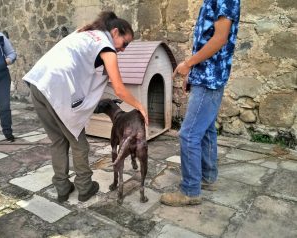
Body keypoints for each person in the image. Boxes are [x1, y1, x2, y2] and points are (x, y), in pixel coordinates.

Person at [23, 11, 148, 203]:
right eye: (125, 43)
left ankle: (62, 189)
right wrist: (140, 106)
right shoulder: (107, 46)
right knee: (79, 143)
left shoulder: (85, 33)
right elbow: (120, 90)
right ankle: (84, 187)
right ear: (115, 32)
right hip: (56, 89)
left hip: (37, 84)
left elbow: (91, 69)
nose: (124, 49)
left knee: (57, 141)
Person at [160, 0, 240, 206]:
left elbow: (220, 38)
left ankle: (190, 190)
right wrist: (192, 72)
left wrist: (188, 64)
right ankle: (208, 177)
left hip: (210, 79)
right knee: (206, 130)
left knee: (189, 134)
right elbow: (204, 40)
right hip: (204, 76)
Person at [0, 31, 17, 142]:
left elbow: (12, 54)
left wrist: (4, 62)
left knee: (4, 107)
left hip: (1, 78)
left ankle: (8, 133)